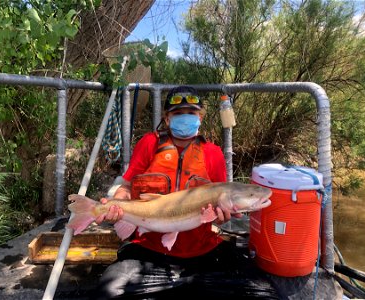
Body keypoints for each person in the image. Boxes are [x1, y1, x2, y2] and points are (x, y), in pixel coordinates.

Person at [92, 86, 251, 299]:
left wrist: (223, 218)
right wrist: (117, 202)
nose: (185, 117)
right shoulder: (149, 143)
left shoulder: (213, 153)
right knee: (107, 293)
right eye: (178, 113)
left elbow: (220, 212)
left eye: (191, 113)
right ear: (167, 119)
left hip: (203, 251)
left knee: (255, 289)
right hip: (149, 250)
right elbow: (127, 186)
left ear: (200, 118)